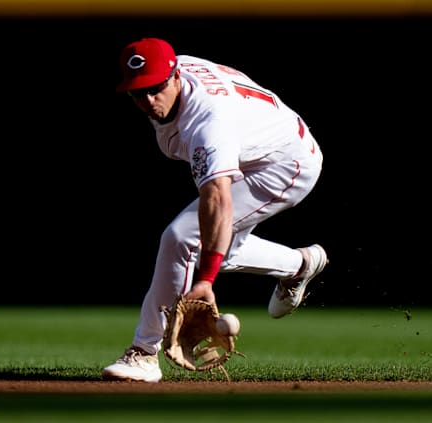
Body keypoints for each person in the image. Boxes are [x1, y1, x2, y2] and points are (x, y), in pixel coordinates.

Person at [102, 38, 328, 383]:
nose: (148, 100)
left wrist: (205, 280)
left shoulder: (208, 121)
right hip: (259, 145)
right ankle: (298, 265)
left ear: (176, 75)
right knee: (215, 244)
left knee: (182, 238)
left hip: (284, 164)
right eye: (137, 91)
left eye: (156, 88)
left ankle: (144, 352)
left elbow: (218, 198)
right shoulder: (176, 82)